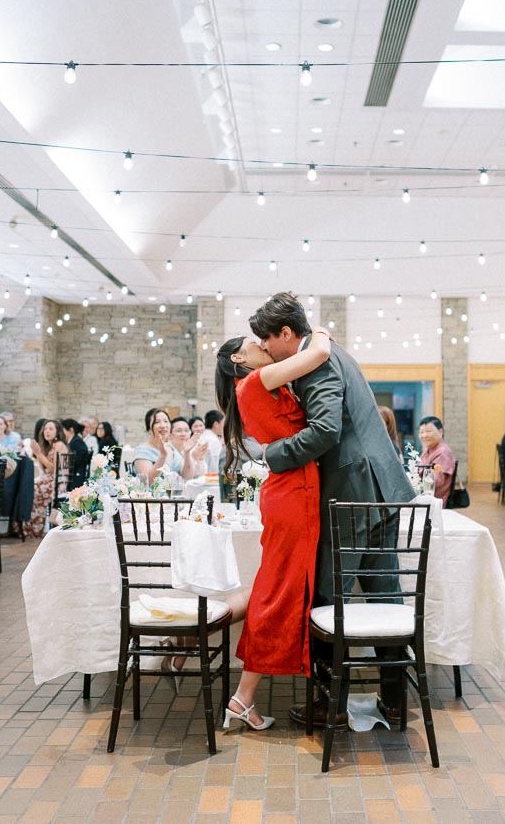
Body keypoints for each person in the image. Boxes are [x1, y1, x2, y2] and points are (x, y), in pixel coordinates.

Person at [249, 292, 416, 728]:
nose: (266, 351)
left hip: (352, 491)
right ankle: (394, 702)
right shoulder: (329, 350)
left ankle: (329, 708)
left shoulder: (316, 361)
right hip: (379, 488)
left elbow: (326, 429)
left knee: (327, 596)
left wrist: (273, 455)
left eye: (267, 341)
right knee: (385, 595)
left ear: (287, 334)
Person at [213, 325, 332, 730]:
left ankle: (241, 696)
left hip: (296, 488)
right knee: (276, 593)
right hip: (292, 491)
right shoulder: (254, 382)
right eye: (253, 344)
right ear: (239, 360)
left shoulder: (260, 383)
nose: (262, 345)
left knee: (274, 589)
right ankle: (243, 697)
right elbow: (316, 355)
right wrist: (319, 331)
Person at [134, 409, 203, 485]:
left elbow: (187, 477)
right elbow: (147, 482)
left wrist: (187, 453)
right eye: (157, 422)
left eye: (166, 421)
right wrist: (162, 457)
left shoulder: (171, 449)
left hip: (176, 495)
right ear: (149, 429)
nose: (163, 426)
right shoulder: (143, 451)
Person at [27, 419, 68, 538]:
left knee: (33, 489)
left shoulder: (59, 445)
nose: (47, 431)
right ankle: (33, 529)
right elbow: (44, 468)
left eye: (51, 429)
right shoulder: (49, 446)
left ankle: (36, 530)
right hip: (48, 478)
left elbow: (54, 468)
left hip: (58, 481)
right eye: (45, 429)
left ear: (58, 432)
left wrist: (39, 454)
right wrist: (38, 452)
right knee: (28, 488)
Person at [417, 416, 457, 504]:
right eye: (421, 432)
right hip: (423, 496)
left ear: (440, 432)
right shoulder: (428, 450)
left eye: (428, 431)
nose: (424, 435)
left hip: (434, 501)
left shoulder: (443, 453)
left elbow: (435, 482)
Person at [60, 418, 92, 489]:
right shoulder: (74, 440)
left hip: (76, 478)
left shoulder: (76, 441)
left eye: (63, 430)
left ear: (71, 430)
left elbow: (77, 461)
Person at [201, 410, 225, 475]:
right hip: (208, 480)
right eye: (223, 423)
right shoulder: (214, 441)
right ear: (216, 424)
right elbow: (214, 468)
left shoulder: (202, 437)